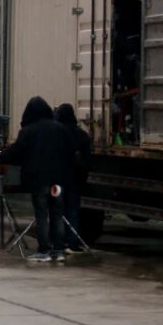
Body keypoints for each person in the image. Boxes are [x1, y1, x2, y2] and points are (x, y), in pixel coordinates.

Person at [0, 96, 75, 262]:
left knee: (41, 214)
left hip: (38, 181)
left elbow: (16, 153)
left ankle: (44, 250)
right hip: (58, 181)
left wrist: (0, 156)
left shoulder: (28, 131)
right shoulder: (61, 129)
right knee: (57, 213)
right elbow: (70, 153)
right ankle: (59, 250)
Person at [53, 103, 91, 251]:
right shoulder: (82, 135)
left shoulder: (57, 133)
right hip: (76, 178)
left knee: (57, 210)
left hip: (59, 178)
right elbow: (88, 160)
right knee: (73, 210)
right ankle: (73, 243)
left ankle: (57, 242)